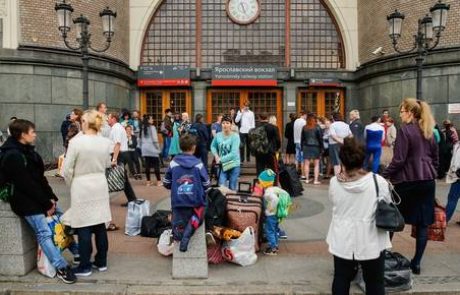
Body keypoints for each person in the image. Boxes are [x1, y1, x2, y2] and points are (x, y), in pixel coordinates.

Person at [0, 119, 77, 283]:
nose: (35, 134)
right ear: (22, 135)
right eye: (32, 132)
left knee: (63, 223)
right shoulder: (12, 155)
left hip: (39, 198)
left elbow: (40, 179)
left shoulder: (28, 151)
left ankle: (78, 255)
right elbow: (25, 184)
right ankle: (62, 267)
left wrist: (52, 199)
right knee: (44, 232)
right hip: (25, 201)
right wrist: (46, 203)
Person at [327, 138, 391, 295]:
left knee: (341, 277)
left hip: (343, 236)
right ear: (364, 159)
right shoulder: (378, 182)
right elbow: (387, 202)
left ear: (342, 159)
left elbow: (334, 201)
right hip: (372, 237)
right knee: (375, 281)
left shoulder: (335, 182)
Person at [382, 98, 438, 275]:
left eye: (402, 111)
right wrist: (432, 172)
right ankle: (417, 263)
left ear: (411, 113)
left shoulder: (405, 131)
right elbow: (435, 159)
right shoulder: (429, 130)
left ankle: (384, 256)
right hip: (427, 182)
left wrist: (384, 175)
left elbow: (399, 160)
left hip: (407, 181)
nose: (400, 114)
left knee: (392, 219)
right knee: (422, 224)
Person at [63, 110, 112, 276]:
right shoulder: (105, 142)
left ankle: (85, 265)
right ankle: (102, 261)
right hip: (99, 183)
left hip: (81, 185)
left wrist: (72, 183)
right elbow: (107, 163)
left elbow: (66, 169)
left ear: (86, 122)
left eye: (83, 120)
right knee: (99, 224)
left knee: (83, 225)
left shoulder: (76, 142)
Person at [163, 134, 210, 252]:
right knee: (199, 215)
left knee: (178, 222)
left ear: (180, 147)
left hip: (178, 202)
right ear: (194, 147)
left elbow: (166, 182)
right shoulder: (198, 164)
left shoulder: (173, 163)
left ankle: (179, 235)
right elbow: (206, 184)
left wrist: (174, 186)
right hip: (196, 202)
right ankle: (189, 231)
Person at [108, 112, 138, 206]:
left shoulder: (116, 128)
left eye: (108, 117)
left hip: (119, 154)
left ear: (113, 119)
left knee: (121, 177)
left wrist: (114, 159)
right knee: (122, 177)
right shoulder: (117, 127)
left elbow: (117, 144)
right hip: (121, 154)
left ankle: (132, 199)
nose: (107, 119)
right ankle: (132, 199)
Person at [210, 115, 241, 191]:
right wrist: (216, 156)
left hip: (234, 164)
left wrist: (220, 159)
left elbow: (233, 153)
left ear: (231, 124)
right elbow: (212, 146)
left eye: (227, 123)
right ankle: (223, 202)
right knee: (222, 186)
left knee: (232, 187)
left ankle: (232, 202)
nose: (225, 125)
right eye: (223, 123)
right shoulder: (218, 135)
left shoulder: (235, 136)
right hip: (222, 165)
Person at [259, 169, 279, 255]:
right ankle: (275, 245)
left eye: (260, 181)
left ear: (264, 182)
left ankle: (272, 248)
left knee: (269, 231)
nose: (260, 183)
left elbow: (275, 200)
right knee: (274, 230)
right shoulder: (273, 189)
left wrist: (268, 210)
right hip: (276, 214)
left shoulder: (268, 192)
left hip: (271, 215)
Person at [139, 115, 162, 186]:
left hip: (145, 148)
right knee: (156, 165)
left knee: (147, 165)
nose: (153, 120)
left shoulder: (142, 128)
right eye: (151, 119)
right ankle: (158, 181)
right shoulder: (152, 127)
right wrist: (158, 148)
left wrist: (141, 147)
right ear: (148, 120)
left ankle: (148, 181)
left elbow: (140, 139)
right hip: (152, 148)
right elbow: (155, 139)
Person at [301, 113, 323, 184]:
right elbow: (320, 138)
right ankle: (315, 180)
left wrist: (302, 147)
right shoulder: (317, 127)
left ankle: (307, 179)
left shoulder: (304, 127)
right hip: (315, 147)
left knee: (306, 163)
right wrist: (322, 147)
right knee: (316, 164)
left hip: (306, 146)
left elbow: (302, 139)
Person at [445, 140, 460, 223]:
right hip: (457, 175)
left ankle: (445, 218)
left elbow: (456, 162)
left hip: (457, 177)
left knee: (452, 199)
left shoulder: (458, 146)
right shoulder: (457, 145)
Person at [293, 111, 307, 179]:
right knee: (302, 159)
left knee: (296, 158)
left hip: (296, 140)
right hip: (302, 142)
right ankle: (303, 174)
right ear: (304, 115)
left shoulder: (296, 121)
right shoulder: (304, 122)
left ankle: (295, 173)